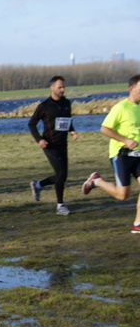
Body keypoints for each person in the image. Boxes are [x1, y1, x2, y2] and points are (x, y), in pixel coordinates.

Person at [82, 74, 140, 234]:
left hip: (139, 155)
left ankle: (137, 224)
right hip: (121, 155)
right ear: (132, 89)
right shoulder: (121, 108)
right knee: (123, 195)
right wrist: (125, 140)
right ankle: (96, 181)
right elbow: (104, 129)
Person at [28, 76, 78, 215]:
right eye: (59, 87)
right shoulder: (44, 106)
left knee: (63, 175)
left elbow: (67, 120)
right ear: (52, 88)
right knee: (61, 174)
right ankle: (60, 205)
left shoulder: (67, 103)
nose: (62, 90)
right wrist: (39, 140)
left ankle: (38, 185)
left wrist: (72, 130)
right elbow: (31, 124)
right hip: (49, 144)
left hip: (63, 144)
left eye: (63, 87)